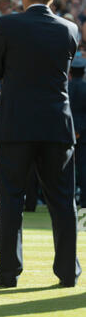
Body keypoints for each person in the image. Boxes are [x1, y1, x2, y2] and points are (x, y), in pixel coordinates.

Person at [0, 0, 82, 288]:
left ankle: (8, 273)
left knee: (12, 198)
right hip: (56, 125)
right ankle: (68, 273)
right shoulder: (70, 29)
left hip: (17, 125)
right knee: (62, 201)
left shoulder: (8, 24)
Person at [68, 57, 86, 208]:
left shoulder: (65, 87)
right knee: (83, 167)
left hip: (65, 131)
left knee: (65, 168)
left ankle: (68, 199)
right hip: (83, 133)